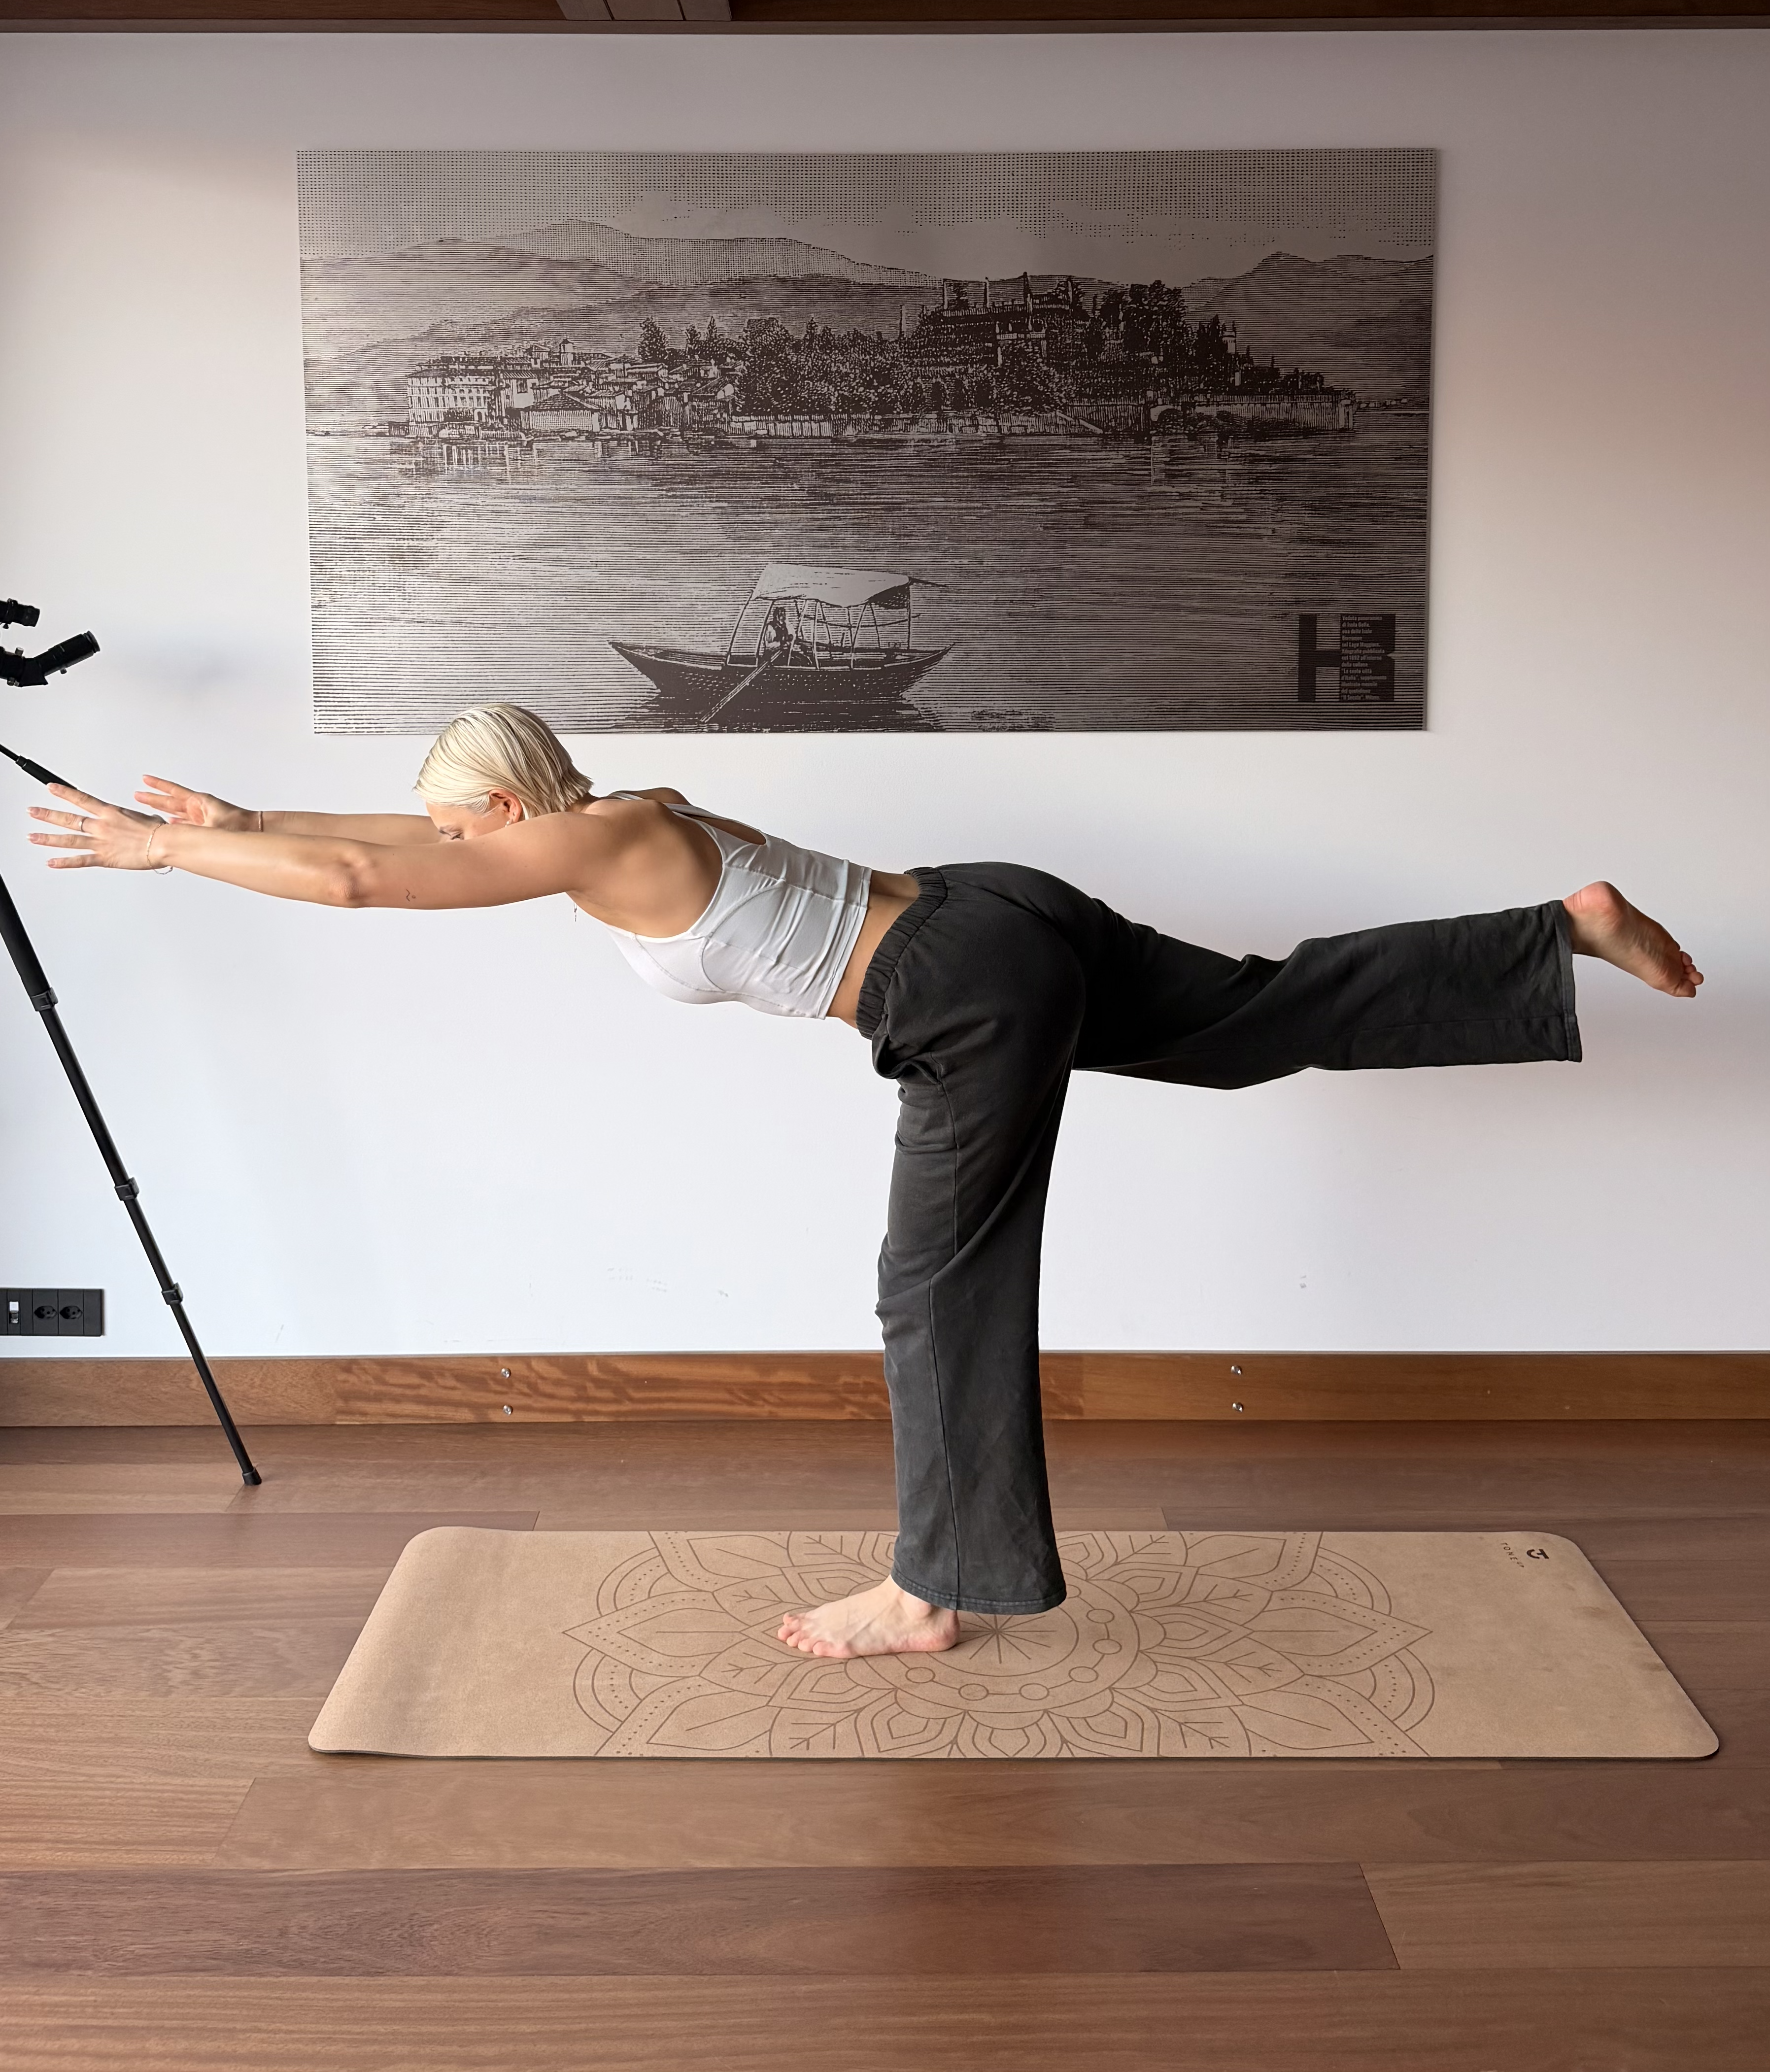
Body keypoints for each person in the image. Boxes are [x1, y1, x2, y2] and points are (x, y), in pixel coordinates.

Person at [26, 703, 1702, 1662]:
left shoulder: (598, 839)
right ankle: (1553, 933)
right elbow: (390, 849)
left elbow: (362, 886)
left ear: (521, 806)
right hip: (996, 913)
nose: (457, 849)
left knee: (934, 1284)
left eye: (473, 827)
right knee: (1251, 1020)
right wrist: (240, 806)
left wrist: (172, 852)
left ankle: (931, 1588)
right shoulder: (615, 811)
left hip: (959, 989)